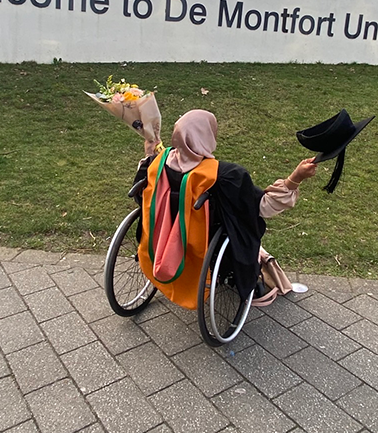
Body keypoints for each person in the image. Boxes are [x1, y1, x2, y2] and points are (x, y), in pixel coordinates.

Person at [134, 109, 317, 310]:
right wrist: (295, 178)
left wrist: (150, 149)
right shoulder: (224, 176)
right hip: (202, 241)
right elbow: (262, 207)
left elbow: (140, 195)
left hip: (158, 234)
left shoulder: (157, 162)